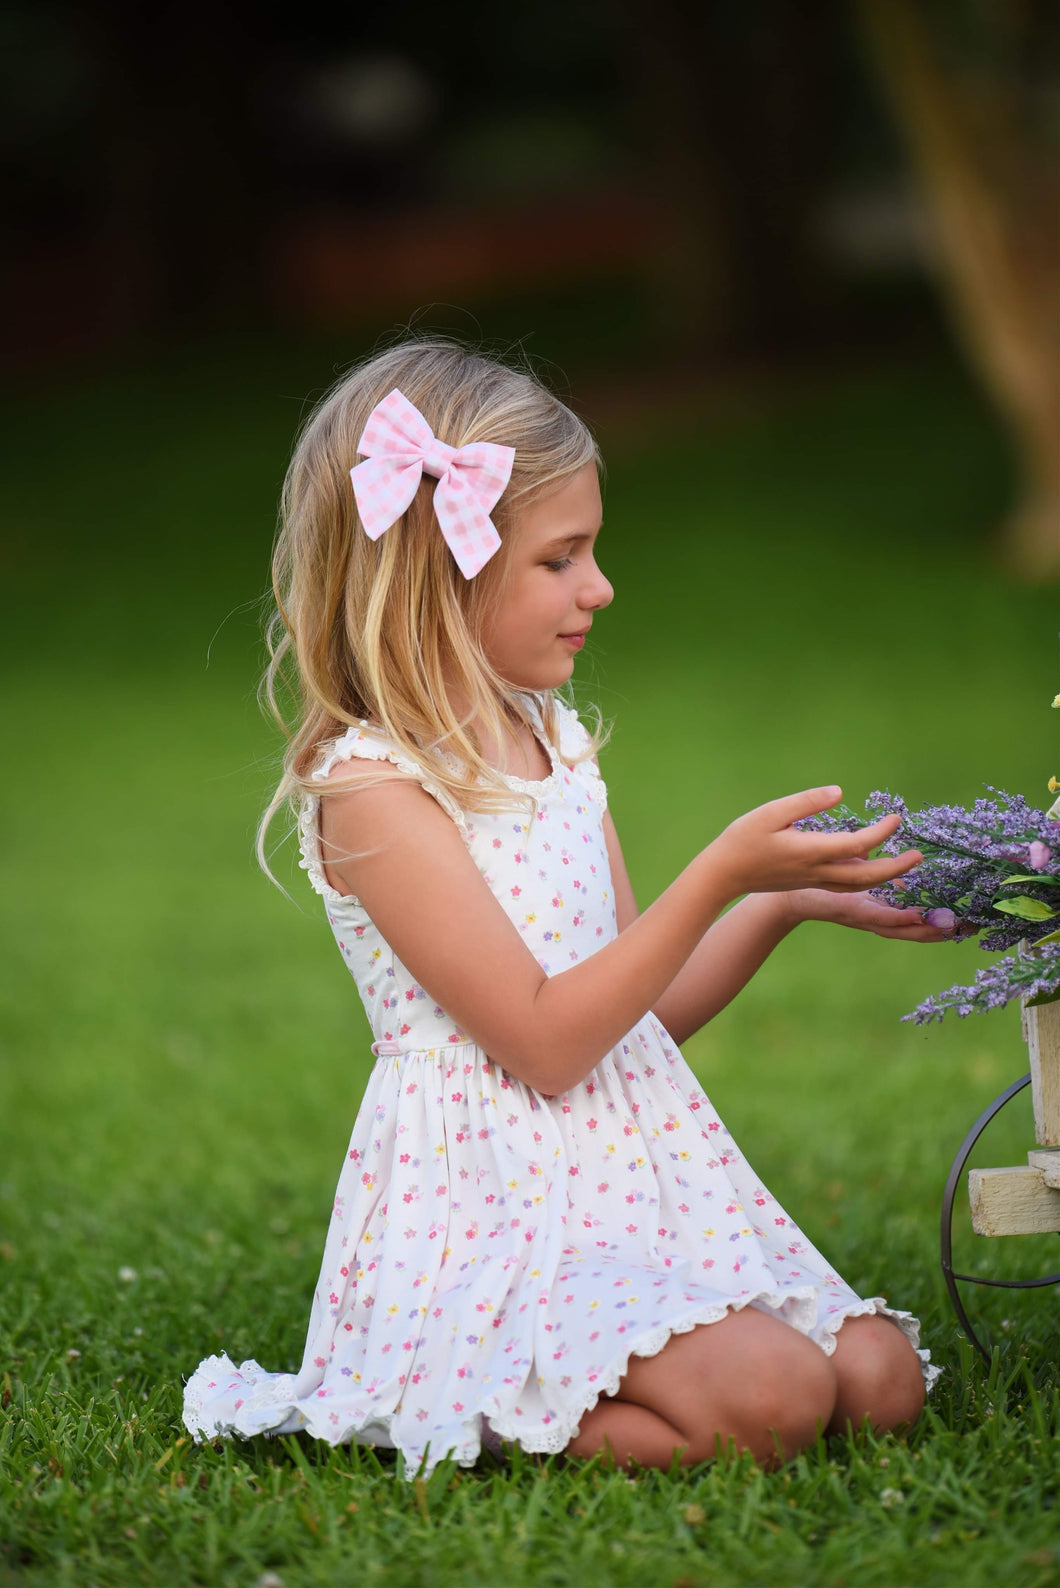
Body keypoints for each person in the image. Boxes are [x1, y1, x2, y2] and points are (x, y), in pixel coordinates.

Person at [183, 339, 943, 1476]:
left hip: (630, 1196)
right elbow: (543, 1040)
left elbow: (632, 1013)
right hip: (488, 1226)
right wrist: (713, 874)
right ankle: (450, 1398)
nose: (599, 587)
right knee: (775, 1396)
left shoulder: (553, 740)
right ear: (446, 572)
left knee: (878, 1380)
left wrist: (778, 906)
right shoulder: (372, 788)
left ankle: (623, 1377)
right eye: (562, 557)